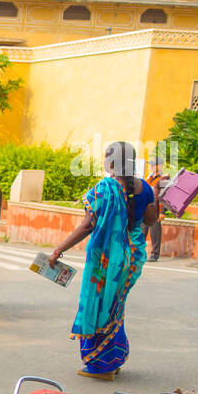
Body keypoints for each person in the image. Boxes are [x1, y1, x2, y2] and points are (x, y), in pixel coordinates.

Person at [49, 141, 158, 380]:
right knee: (114, 307)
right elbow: (150, 220)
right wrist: (156, 197)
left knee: (98, 305)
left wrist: (58, 250)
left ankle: (101, 366)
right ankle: (113, 360)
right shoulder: (146, 188)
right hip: (132, 258)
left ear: (110, 161)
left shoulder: (104, 188)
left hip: (106, 260)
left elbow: (88, 225)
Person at [145, 155, 167, 261]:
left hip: (156, 210)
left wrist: (163, 212)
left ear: (160, 166)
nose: (152, 167)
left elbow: (166, 196)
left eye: (155, 165)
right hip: (146, 209)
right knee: (141, 232)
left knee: (155, 233)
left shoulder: (164, 179)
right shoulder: (149, 178)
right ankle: (139, 252)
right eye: (152, 165)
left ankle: (155, 254)